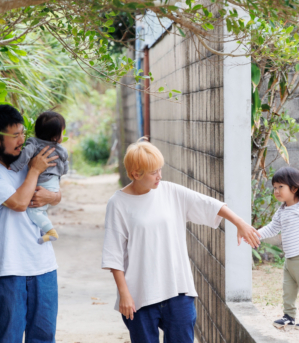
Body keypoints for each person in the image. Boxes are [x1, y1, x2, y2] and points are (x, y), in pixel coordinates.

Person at [101, 139, 261, 343]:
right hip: (140, 295)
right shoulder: (118, 204)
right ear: (135, 174)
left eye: (160, 169)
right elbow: (114, 254)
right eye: (153, 172)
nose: (160, 176)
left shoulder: (169, 192)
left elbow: (208, 204)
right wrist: (124, 294)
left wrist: (240, 223)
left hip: (177, 290)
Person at [0, 104, 62, 343]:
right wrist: (33, 171)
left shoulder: (31, 156)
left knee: (44, 337)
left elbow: (55, 191)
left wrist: (51, 196)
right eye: (14, 136)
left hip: (43, 264)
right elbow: (19, 203)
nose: (21, 140)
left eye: (23, 133)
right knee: (8, 337)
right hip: (10, 267)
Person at [258, 166, 299, 329]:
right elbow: (273, 227)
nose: (276, 191)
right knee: (288, 291)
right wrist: (255, 234)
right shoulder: (282, 210)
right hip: (290, 259)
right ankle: (289, 316)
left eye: (281, 187)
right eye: (274, 187)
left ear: (294, 188)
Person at [9, 110, 69, 244]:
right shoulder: (61, 149)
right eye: (62, 132)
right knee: (40, 210)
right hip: (53, 183)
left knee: (34, 211)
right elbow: (65, 168)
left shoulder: (34, 144)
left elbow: (24, 156)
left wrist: (14, 166)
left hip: (43, 182)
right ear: (55, 137)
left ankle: (50, 231)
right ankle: (44, 228)